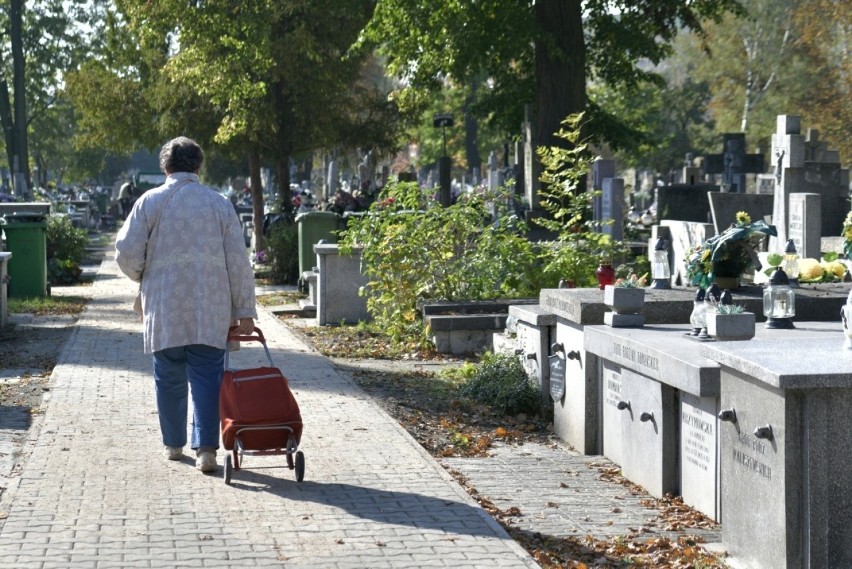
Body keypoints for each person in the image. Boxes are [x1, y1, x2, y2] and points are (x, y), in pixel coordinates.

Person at [115, 136, 257, 473]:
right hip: (211, 308)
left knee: (168, 377)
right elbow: (238, 261)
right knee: (208, 378)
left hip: (165, 307)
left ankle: (174, 445)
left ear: (165, 167)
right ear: (198, 166)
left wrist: (143, 276)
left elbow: (125, 252)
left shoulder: (148, 202)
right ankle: (206, 450)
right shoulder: (220, 203)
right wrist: (245, 311)